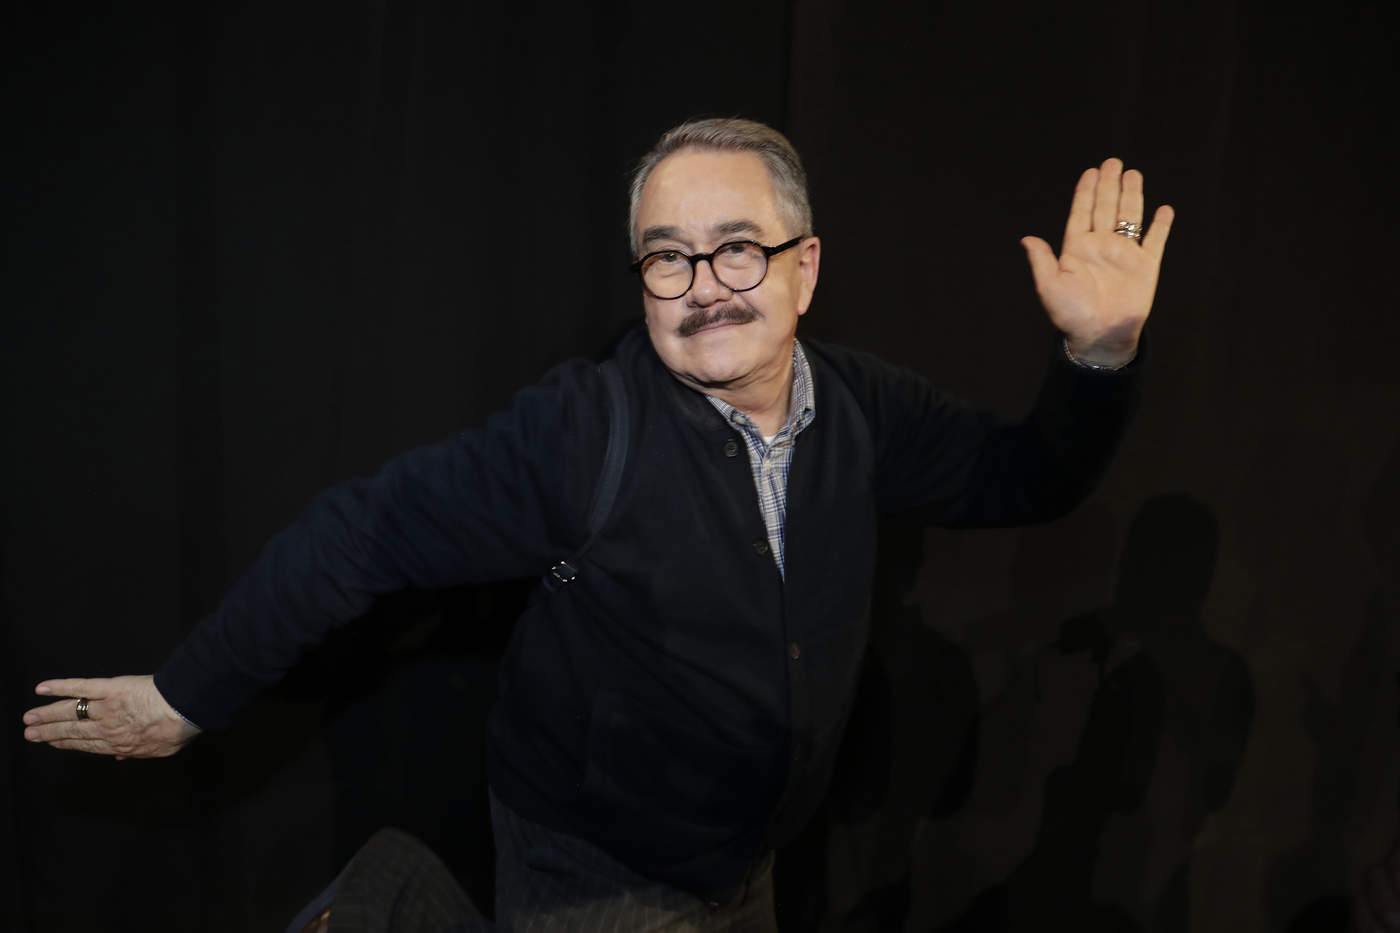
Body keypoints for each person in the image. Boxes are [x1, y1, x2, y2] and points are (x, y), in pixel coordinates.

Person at [21, 118, 1173, 930]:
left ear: (805, 267)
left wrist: (1099, 357)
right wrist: (184, 697)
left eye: (737, 247)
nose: (703, 285)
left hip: (751, 860)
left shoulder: (863, 409)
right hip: (596, 868)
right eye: (667, 257)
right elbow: (357, 536)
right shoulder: (582, 432)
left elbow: (1026, 482)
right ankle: (396, 907)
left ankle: (403, 902)